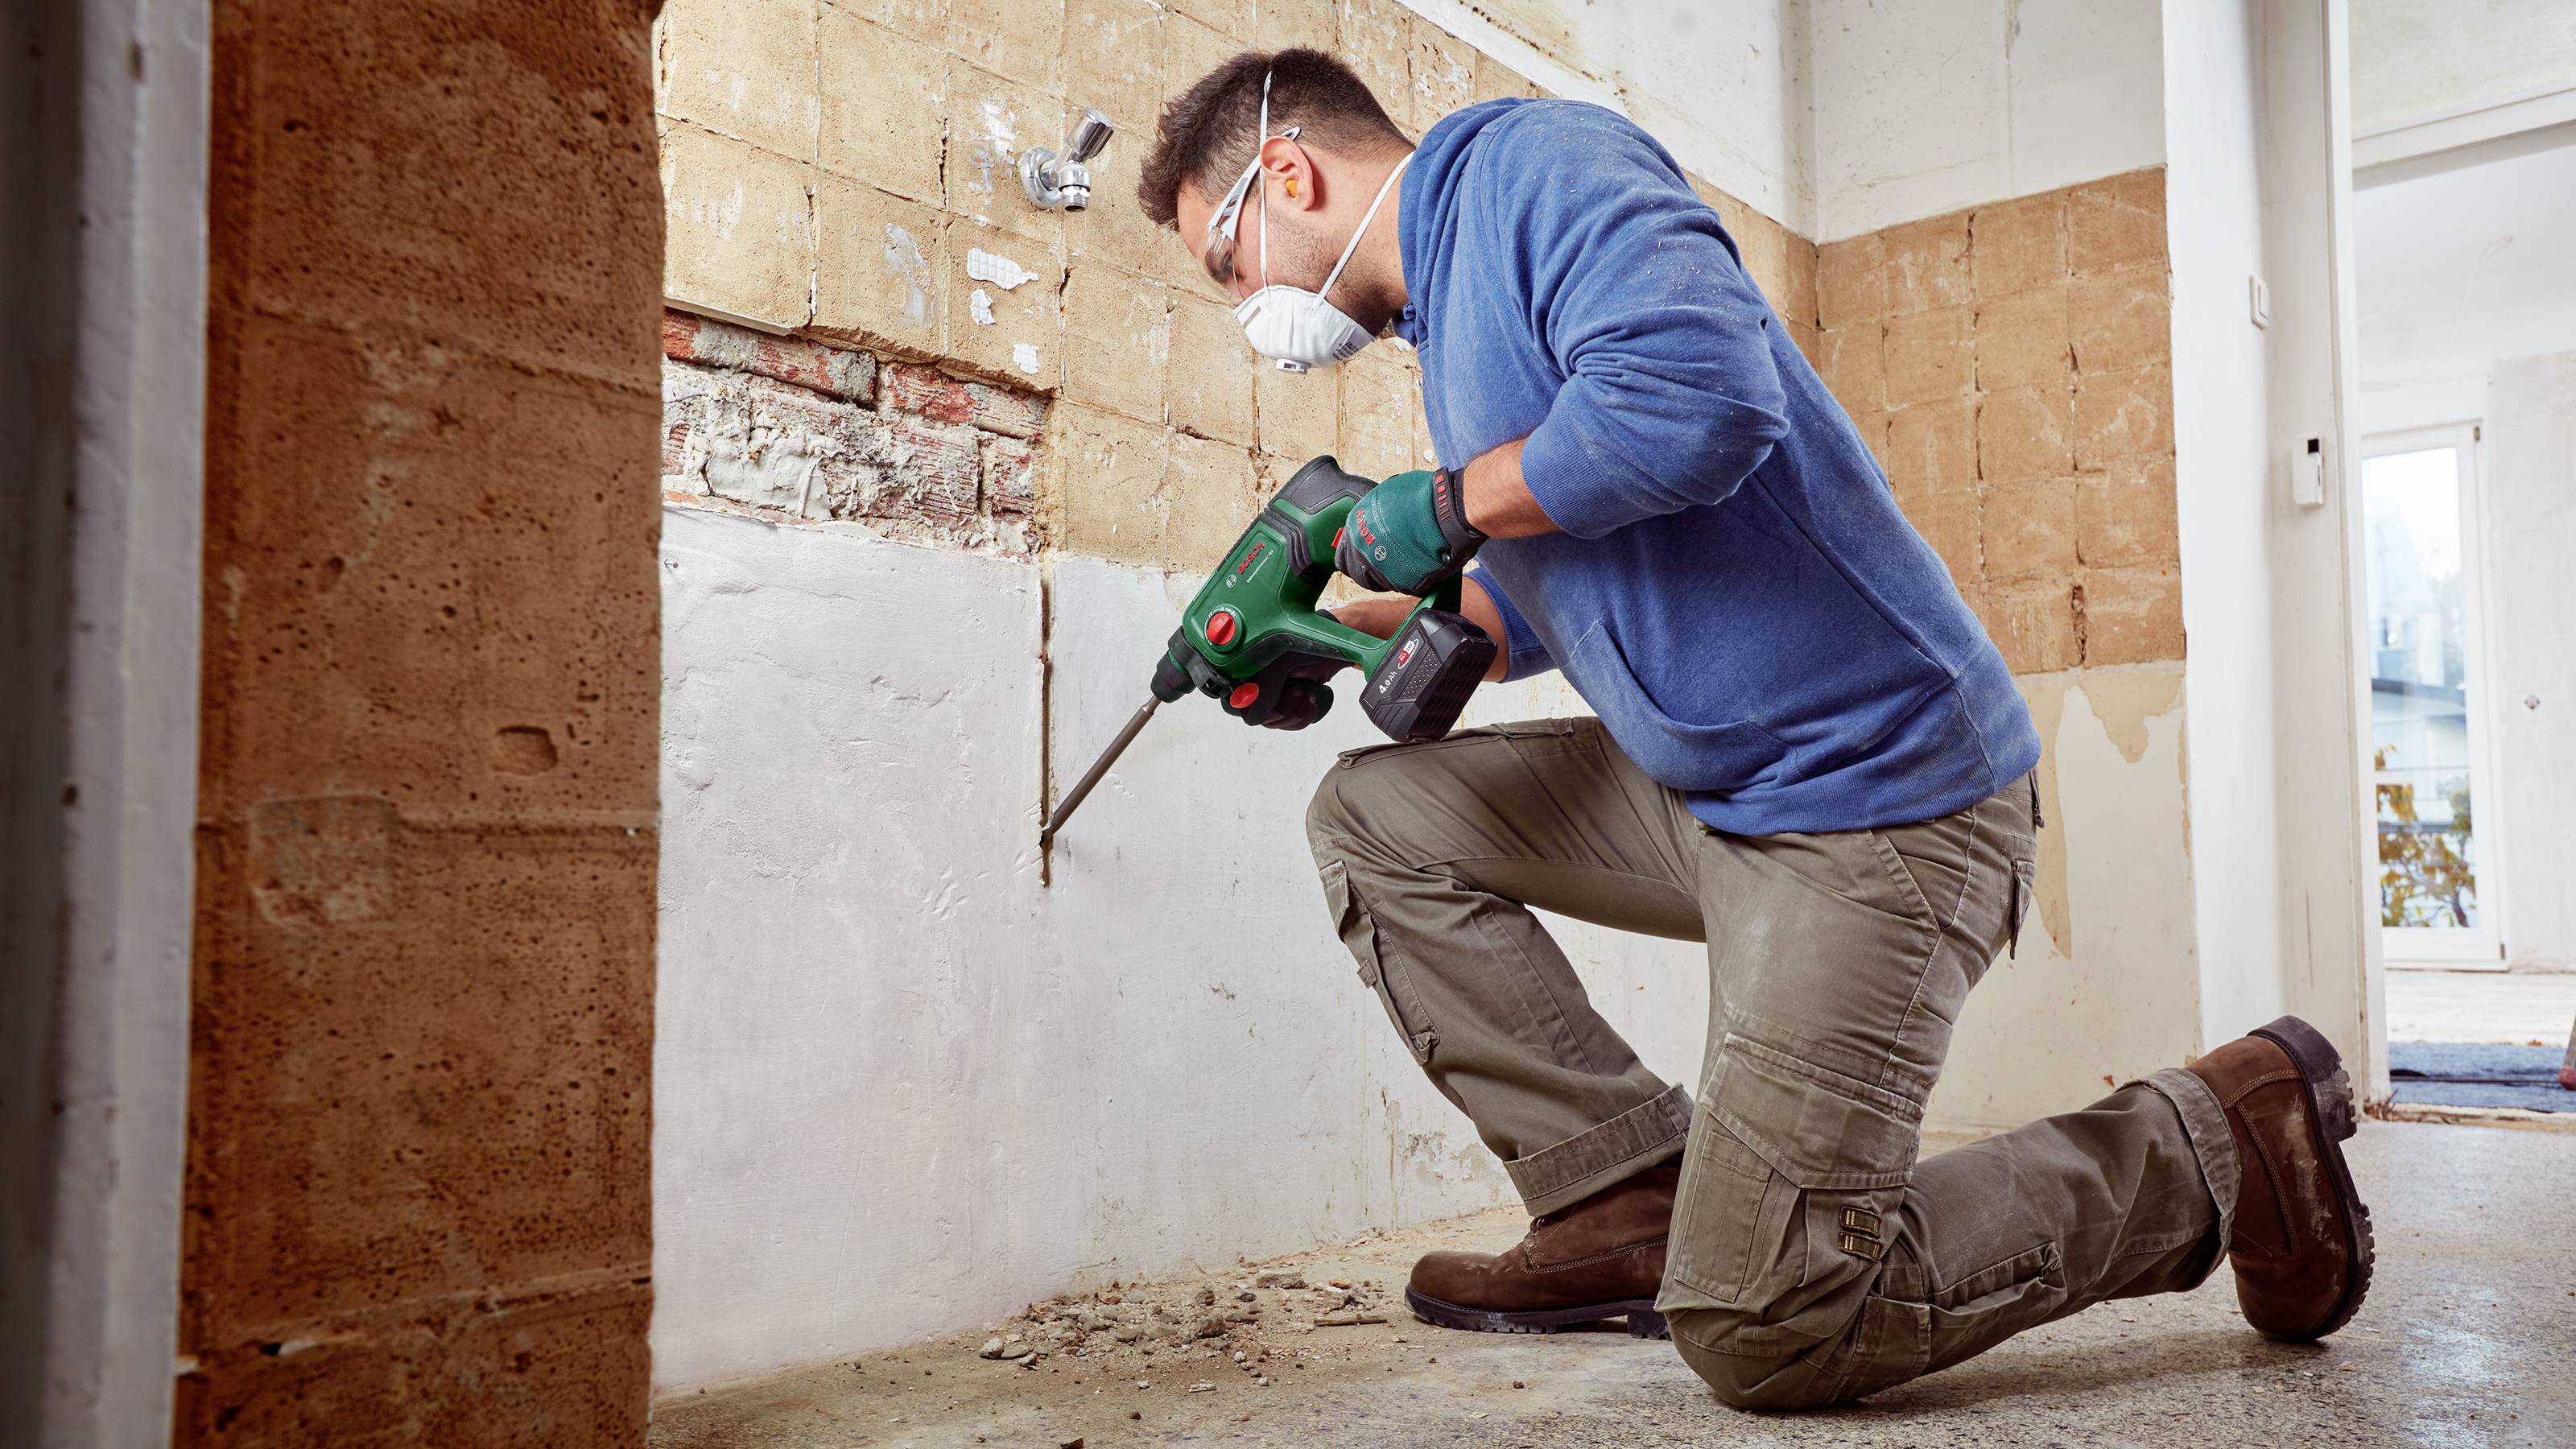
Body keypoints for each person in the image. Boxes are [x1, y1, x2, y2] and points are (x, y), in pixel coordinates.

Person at [1134, 48, 2373, 1409]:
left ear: (1288, 175)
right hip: (1719, 789)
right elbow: (1561, 591)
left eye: (1227, 262)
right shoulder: (1448, 314)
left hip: (1879, 802)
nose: (1247, 304)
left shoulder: (1536, 170)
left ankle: (2217, 1139)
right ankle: (1622, 1202)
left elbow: (1699, 402)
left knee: (1767, 1324)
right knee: (1376, 820)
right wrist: (1356, 631)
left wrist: (1451, 498)